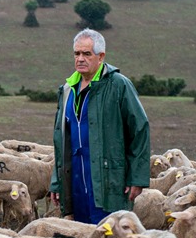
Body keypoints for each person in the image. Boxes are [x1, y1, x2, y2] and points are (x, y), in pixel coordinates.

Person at [49, 29, 150, 223]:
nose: (80, 59)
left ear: (101, 56)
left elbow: (139, 129)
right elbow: (60, 142)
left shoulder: (118, 85)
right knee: (79, 235)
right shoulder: (67, 90)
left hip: (109, 178)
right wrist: (57, 181)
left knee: (109, 235)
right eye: (76, 53)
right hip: (76, 178)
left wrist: (137, 178)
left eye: (87, 54)